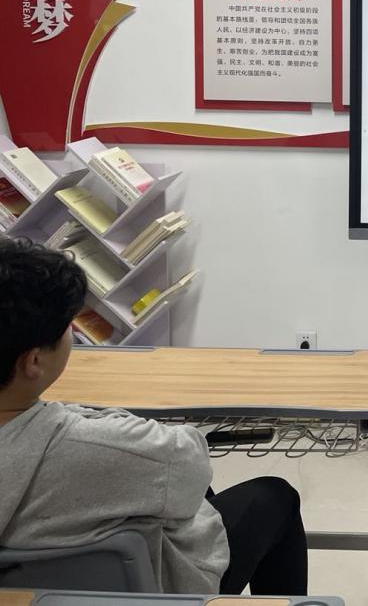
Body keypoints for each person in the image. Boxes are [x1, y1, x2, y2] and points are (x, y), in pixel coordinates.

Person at [0, 237, 307, 594]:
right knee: (274, 497)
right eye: (68, 326)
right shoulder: (92, 446)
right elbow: (190, 463)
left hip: (30, 589)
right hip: (148, 590)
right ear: (34, 361)